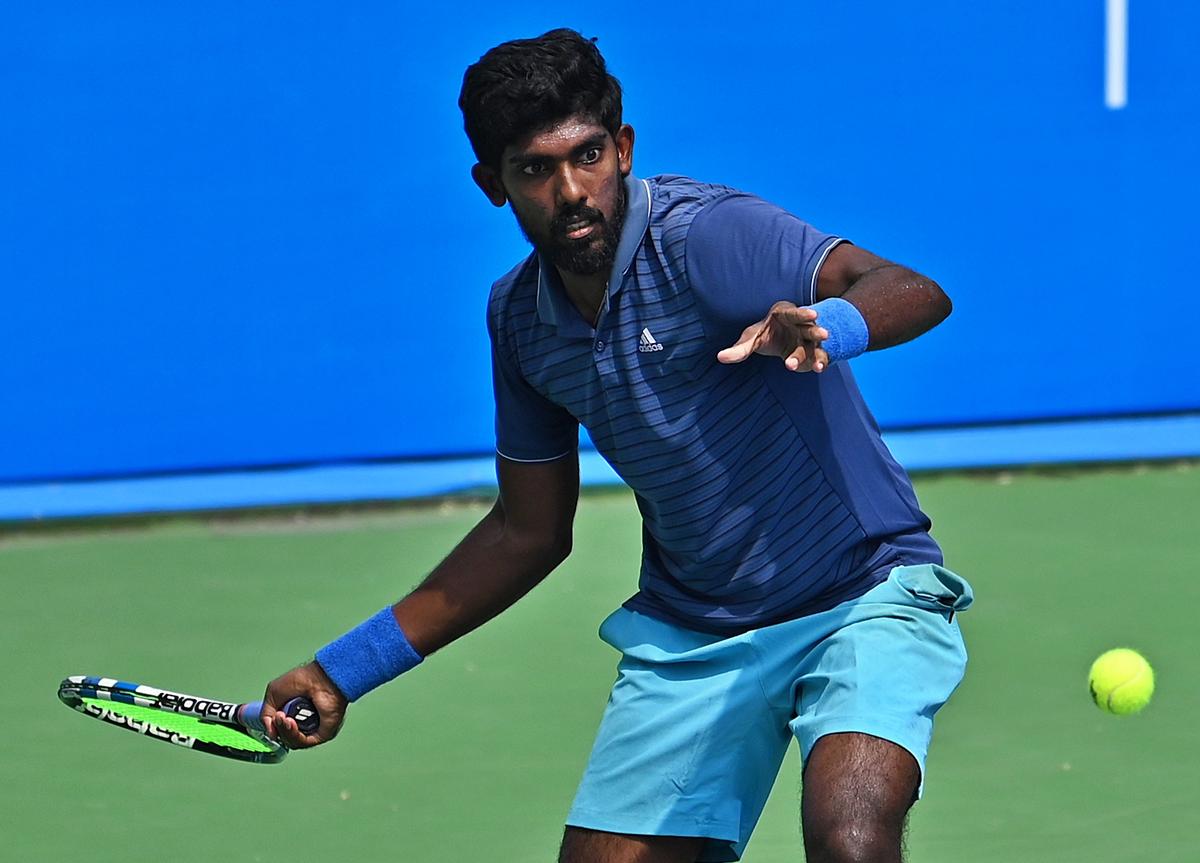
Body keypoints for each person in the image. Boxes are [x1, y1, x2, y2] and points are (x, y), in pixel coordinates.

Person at [261, 28, 972, 863]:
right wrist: (346, 666)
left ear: (623, 149)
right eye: (535, 168)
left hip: (863, 591)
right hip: (697, 632)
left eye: (589, 154)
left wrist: (827, 326)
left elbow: (913, 290)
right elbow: (526, 531)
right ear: (493, 185)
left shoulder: (708, 236)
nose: (572, 190)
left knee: (851, 837)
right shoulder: (520, 322)